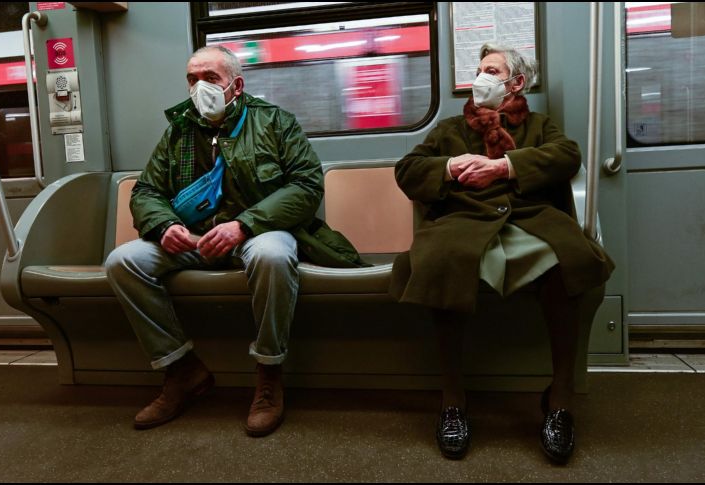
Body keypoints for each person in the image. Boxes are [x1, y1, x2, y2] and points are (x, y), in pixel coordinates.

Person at [105, 45, 363, 436]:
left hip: (256, 233)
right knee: (123, 261)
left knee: (274, 255)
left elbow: (307, 185)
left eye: (210, 78)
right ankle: (181, 370)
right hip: (195, 240)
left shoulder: (274, 123)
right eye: (192, 79)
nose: (199, 88)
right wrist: (163, 227)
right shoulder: (179, 130)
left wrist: (243, 225)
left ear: (236, 85)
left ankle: (269, 373)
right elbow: (146, 191)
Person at [389, 43, 614, 463]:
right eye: (479, 70)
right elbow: (408, 170)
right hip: (466, 223)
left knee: (565, 261)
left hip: (529, 221)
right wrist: (450, 167)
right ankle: (453, 400)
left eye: (491, 70)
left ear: (516, 83)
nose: (481, 78)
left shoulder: (539, 126)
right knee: (443, 260)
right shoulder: (450, 132)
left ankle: (560, 399)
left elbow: (567, 156)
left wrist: (504, 166)